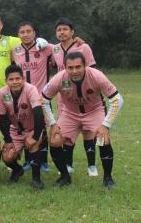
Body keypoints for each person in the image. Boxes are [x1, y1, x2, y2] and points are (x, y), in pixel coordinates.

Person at [42, 52, 123, 188]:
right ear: (65, 68)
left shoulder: (97, 76)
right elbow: (43, 99)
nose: (74, 71)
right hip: (69, 113)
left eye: (78, 67)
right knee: (55, 140)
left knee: (104, 139)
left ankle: (108, 178)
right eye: (70, 68)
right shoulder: (59, 78)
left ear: (85, 65)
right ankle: (64, 177)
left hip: (94, 111)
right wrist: (52, 123)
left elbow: (117, 99)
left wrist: (106, 124)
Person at [51, 18, 97, 176]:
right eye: (58, 30)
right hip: (63, 96)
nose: (61, 32)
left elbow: (92, 71)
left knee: (88, 130)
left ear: (72, 32)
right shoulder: (54, 49)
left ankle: (92, 165)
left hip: (83, 95)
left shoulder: (83, 47)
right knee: (67, 133)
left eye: (65, 29)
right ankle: (68, 164)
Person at [11, 22, 52, 172]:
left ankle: (43, 161)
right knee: (27, 127)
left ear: (34, 33)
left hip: (42, 97)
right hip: (22, 97)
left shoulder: (45, 48)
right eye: (22, 32)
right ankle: (29, 160)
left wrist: (78, 41)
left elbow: (62, 50)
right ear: (18, 35)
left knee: (43, 129)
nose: (26, 34)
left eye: (29, 31)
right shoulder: (15, 50)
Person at [0, 65, 46, 189]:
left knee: (34, 146)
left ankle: (36, 178)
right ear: (6, 81)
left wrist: (34, 136)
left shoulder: (31, 89)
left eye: (17, 79)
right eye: (11, 79)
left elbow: (38, 113)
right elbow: (2, 119)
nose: (15, 82)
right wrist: (8, 140)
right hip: (15, 130)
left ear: (23, 79)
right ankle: (17, 169)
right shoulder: (1, 93)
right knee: (7, 156)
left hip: (32, 128)